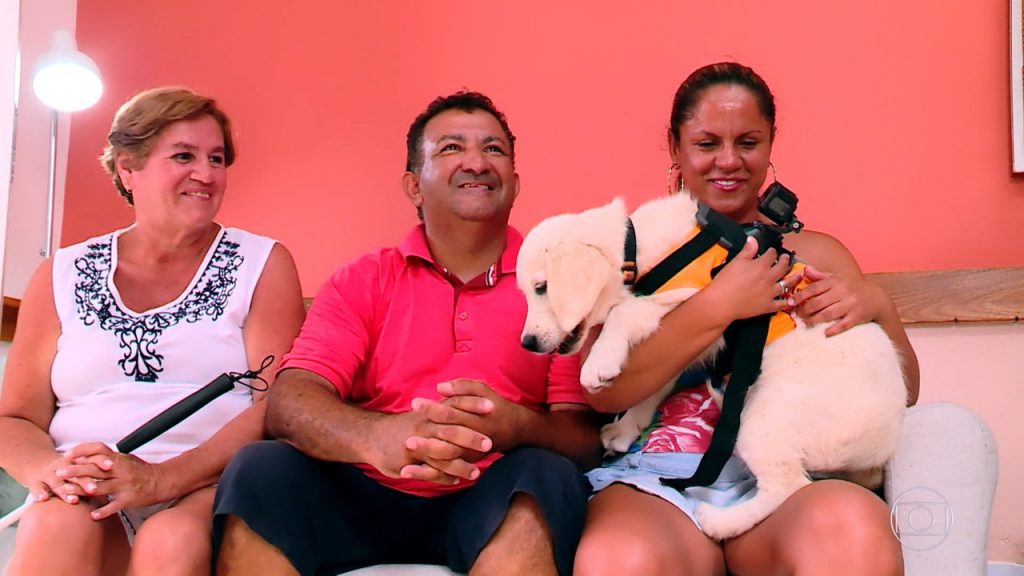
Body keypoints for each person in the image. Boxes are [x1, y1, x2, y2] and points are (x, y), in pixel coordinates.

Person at [212, 91, 602, 576]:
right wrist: (380, 437)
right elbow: (290, 401)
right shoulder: (363, 280)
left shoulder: (558, 286)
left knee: (547, 476)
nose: (477, 162)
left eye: (494, 149)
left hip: (492, 493)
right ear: (414, 186)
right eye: (452, 148)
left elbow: (585, 440)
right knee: (258, 469)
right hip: (361, 492)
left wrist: (519, 427)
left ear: (515, 184)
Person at [573, 62, 921, 576]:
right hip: (662, 475)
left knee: (856, 536)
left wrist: (877, 305)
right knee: (619, 560)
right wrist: (721, 303)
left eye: (748, 142)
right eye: (707, 143)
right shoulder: (641, 246)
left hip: (788, 475)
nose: (728, 161)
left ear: (772, 142)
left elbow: (903, 392)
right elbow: (604, 392)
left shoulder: (818, 253)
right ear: (674, 147)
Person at [0, 87, 305, 575]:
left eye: (217, 158)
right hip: (90, 488)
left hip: (207, 484)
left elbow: (279, 405)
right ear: (128, 168)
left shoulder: (262, 263)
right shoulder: (60, 272)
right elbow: (14, 418)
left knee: (171, 541)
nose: (206, 174)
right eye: (184, 156)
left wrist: (162, 479)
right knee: (54, 524)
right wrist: (48, 469)